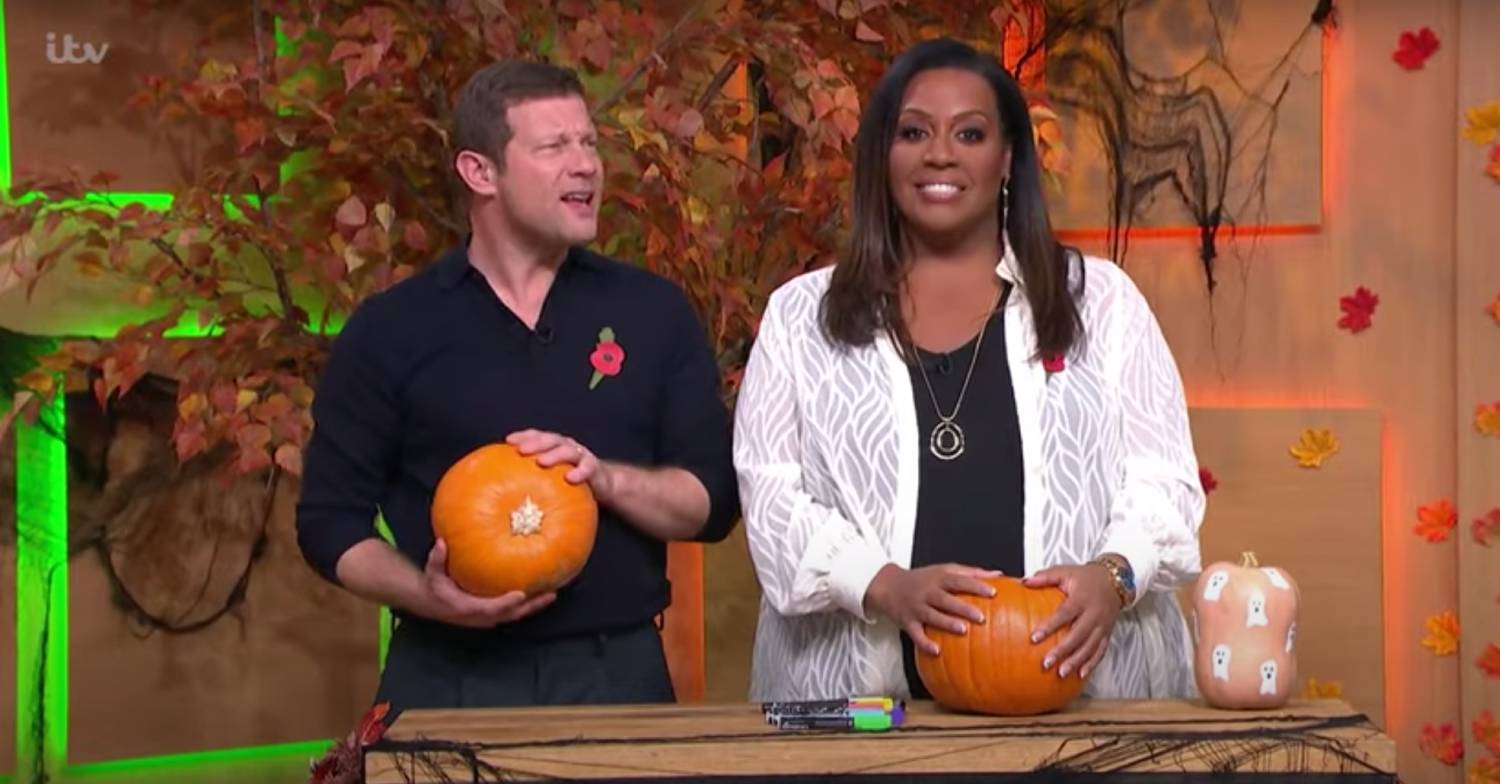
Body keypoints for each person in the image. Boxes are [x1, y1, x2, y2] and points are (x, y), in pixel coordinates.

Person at [733, 38, 1205, 703]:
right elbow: (771, 497)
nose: (941, 154)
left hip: (1085, 708)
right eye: (914, 132)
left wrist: (1112, 575)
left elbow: (1163, 480)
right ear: (882, 156)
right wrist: (885, 584)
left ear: (1009, 155)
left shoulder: (1102, 301)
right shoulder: (798, 317)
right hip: (863, 711)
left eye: (971, 133)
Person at [295, 59, 739, 714]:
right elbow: (329, 524)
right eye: (555, 147)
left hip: (616, 678)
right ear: (481, 173)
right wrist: (428, 596)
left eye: (588, 143)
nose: (585, 165)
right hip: (444, 675)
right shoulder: (390, 329)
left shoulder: (654, 313)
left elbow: (713, 502)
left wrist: (605, 480)